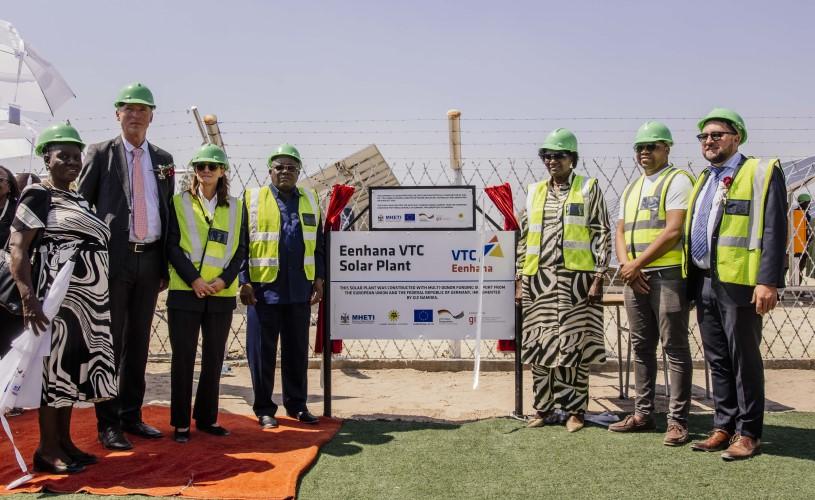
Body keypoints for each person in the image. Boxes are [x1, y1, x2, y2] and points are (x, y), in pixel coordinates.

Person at [9, 123, 116, 473]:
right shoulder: (38, 195)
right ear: (47, 158)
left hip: (88, 305)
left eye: (76, 156)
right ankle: (46, 448)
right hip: (56, 301)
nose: (72, 162)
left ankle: (66, 443)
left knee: (69, 372)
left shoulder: (80, 198)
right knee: (52, 373)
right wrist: (28, 298)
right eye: (63, 156)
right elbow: (18, 249)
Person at [78, 82, 175, 450]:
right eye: (128, 109)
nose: (135, 115)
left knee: (139, 343)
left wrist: (164, 263)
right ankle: (108, 423)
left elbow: (165, 209)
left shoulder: (163, 160)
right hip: (112, 262)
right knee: (110, 343)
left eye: (142, 109)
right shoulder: (100, 153)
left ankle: (132, 415)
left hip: (149, 260)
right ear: (117, 114)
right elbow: (83, 206)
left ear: (152, 116)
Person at [686, 108, 786, 461]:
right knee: (717, 359)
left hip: (740, 283)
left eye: (717, 135)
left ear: (736, 138)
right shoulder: (704, 178)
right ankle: (723, 426)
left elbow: (774, 229)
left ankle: (749, 433)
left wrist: (768, 281)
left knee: (743, 359)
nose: (709, 142)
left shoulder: (760, 173)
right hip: (705, 281)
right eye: (704, 137)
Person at [516, 128, 611, 432]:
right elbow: (523, 238)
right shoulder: (534, 191)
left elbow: (601, 233)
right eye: (547, 155)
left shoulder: (588, 188)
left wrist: (598, 277)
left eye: (558, 155)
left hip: (576, 284)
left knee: (574, 347)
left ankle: (575, 411)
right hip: (538, 282)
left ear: (573, 159)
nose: (551, 161)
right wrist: (520, 278)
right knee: (539, 345)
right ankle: (542, 409)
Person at [608, 122, 694, 445]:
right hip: (635, 277)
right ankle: (643, 413)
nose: (644, 152)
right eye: (640, 148)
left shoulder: (677, 181)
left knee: (674, 347)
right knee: (641, 347)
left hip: (667, 275)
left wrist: (635, 266)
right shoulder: (631, 189)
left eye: (652, 146)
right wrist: (627, 268)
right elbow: (619, 230)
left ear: (666, 148)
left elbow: (673, 230)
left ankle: (678, 421)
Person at [166, 144, 247, 443]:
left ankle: (207, 418)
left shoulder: (237, 207)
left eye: (213, 166)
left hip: (221, 294)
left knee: (214, 358)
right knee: (183, 358)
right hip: (186, 292)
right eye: (201, 166)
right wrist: (195, 280)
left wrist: (225, 280)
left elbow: (241, 249)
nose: (207, 171)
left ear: (223, 171)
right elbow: (171, 246)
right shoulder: (178, 202)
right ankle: (180, 424)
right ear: (195, 171)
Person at [240, 143, 324, 429]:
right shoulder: (252, 199)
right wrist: (244, 281)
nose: (285, 172)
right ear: (270, 172)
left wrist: (319, 279)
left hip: (299, 289)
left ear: (299, 171)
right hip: (263, 292)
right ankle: (264, 409)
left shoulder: (311, 200)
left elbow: (319, 244)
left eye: (291, 167)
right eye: (280, 167)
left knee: (297, 351)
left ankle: (297, 405)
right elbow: (241, 243)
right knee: (261, 354)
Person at [0, 165, 22, 358]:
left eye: (0, 180)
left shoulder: (18, 209)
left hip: (8, 288)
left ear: (9, 186)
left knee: (9, 348)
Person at [792, 193, 811, 283]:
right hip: (797, 246)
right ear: (803, 203)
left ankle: (796, 286)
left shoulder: (806, 214)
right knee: (797, 267)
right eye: (808, 203)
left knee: (799, 267)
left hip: (802, 245)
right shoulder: (797, 214)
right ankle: (794, 287)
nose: (809, 205)